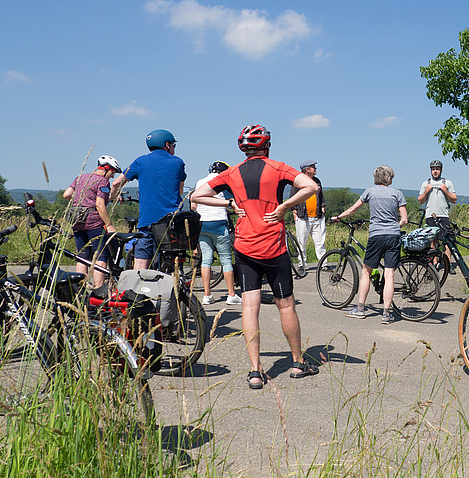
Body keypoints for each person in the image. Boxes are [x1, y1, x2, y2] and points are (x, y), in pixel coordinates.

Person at [191, 125, 320, 389]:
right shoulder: (279, 167)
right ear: (267, 146)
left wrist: (229, 204)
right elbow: (311, 186)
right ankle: (297, 363)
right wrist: (284, 206)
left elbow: (197, 195)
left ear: (243, 149)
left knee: (250, 307)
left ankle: (255, 372)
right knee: (286, 305)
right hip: (274, 246)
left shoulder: (231, 172)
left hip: (245, 245)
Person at [332, 165, 408, 325]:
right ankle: (386, 314)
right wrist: (395, 227)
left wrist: (338, 216)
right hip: (393, 236)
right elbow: (404, 220)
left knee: (366, 272)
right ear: (390, 178)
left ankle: (360, 309)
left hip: (376, 235)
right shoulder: (397, 194)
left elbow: (353, 209)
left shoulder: (369, 192)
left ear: (376, 177)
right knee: (389, 275)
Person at [111, 129, 186, 270]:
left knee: (140, 264)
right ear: (167, 144)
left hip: (147, 222)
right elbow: (180, 189)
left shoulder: (141, 161)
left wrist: (113, 197)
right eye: (173, 145)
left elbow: (116, 183)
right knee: (174, 261)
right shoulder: (178, 162)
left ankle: (137, 290)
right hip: (171, 221)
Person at [63, 155, 120, 288]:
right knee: (100, 256)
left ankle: (80, 288)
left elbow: (67, 195)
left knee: (82, 256)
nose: (112, 176)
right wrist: (109, 225)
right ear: (106, 169)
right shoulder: (102, 181)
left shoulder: (81, 177)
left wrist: (83, 199)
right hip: (93, 223)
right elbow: (100, 204)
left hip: (77, 221)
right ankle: (98, 289)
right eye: (113, 172)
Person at [191, 161, 241, 306]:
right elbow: (232, 200)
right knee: (225, 259)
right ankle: (231, 295)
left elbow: (194, 204)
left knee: (206, 259)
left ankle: (207, 295)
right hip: (218, 222)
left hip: (202, 223)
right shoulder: (223, 181)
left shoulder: (200, 181)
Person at [417, 159, 457, 273]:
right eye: (433, 169)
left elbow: (454, 199)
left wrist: (445, 191)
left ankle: (448, 264)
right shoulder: (426, 183)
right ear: (430, 171)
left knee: (446, 241)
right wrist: (426, 191)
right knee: (433, 241)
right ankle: (433, 264)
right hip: (430, 215)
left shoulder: (447, 182)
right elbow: (420, 200)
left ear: (441, 170)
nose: (435, 171)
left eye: (437, 169)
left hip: (443, 215)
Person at [290, 160, 326, 268]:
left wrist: (323, 209)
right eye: (313, 167)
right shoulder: (298, 182)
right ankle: (302, 264)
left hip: (317, 217)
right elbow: (292, 197)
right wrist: (294, 212)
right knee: (301, 242)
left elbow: (321, 196)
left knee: (320, 242)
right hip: (302, 217)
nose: (315, 169)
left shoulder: (317, 181)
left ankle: (323, 264)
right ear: (307, 169)